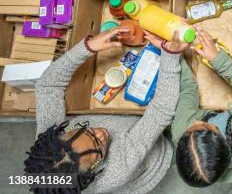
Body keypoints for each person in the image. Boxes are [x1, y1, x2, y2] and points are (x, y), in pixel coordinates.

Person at [24, 27, 188, 193]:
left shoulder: (49, 142)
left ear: (61, 133)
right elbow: (160, 112)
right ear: (92, 170)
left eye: (84, 130)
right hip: (151, 159)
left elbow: (47, 86)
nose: (101, 133)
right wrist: (171, 55)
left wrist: (87, 48)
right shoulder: (118, 169)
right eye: (98, 148)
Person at [171, 29, 232, 187]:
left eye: (191, 127)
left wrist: (172, 54)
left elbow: (187, 90)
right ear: (220, 133)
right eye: (203, 124)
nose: (195, 120)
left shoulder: (179, 130)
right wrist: (217, 59)